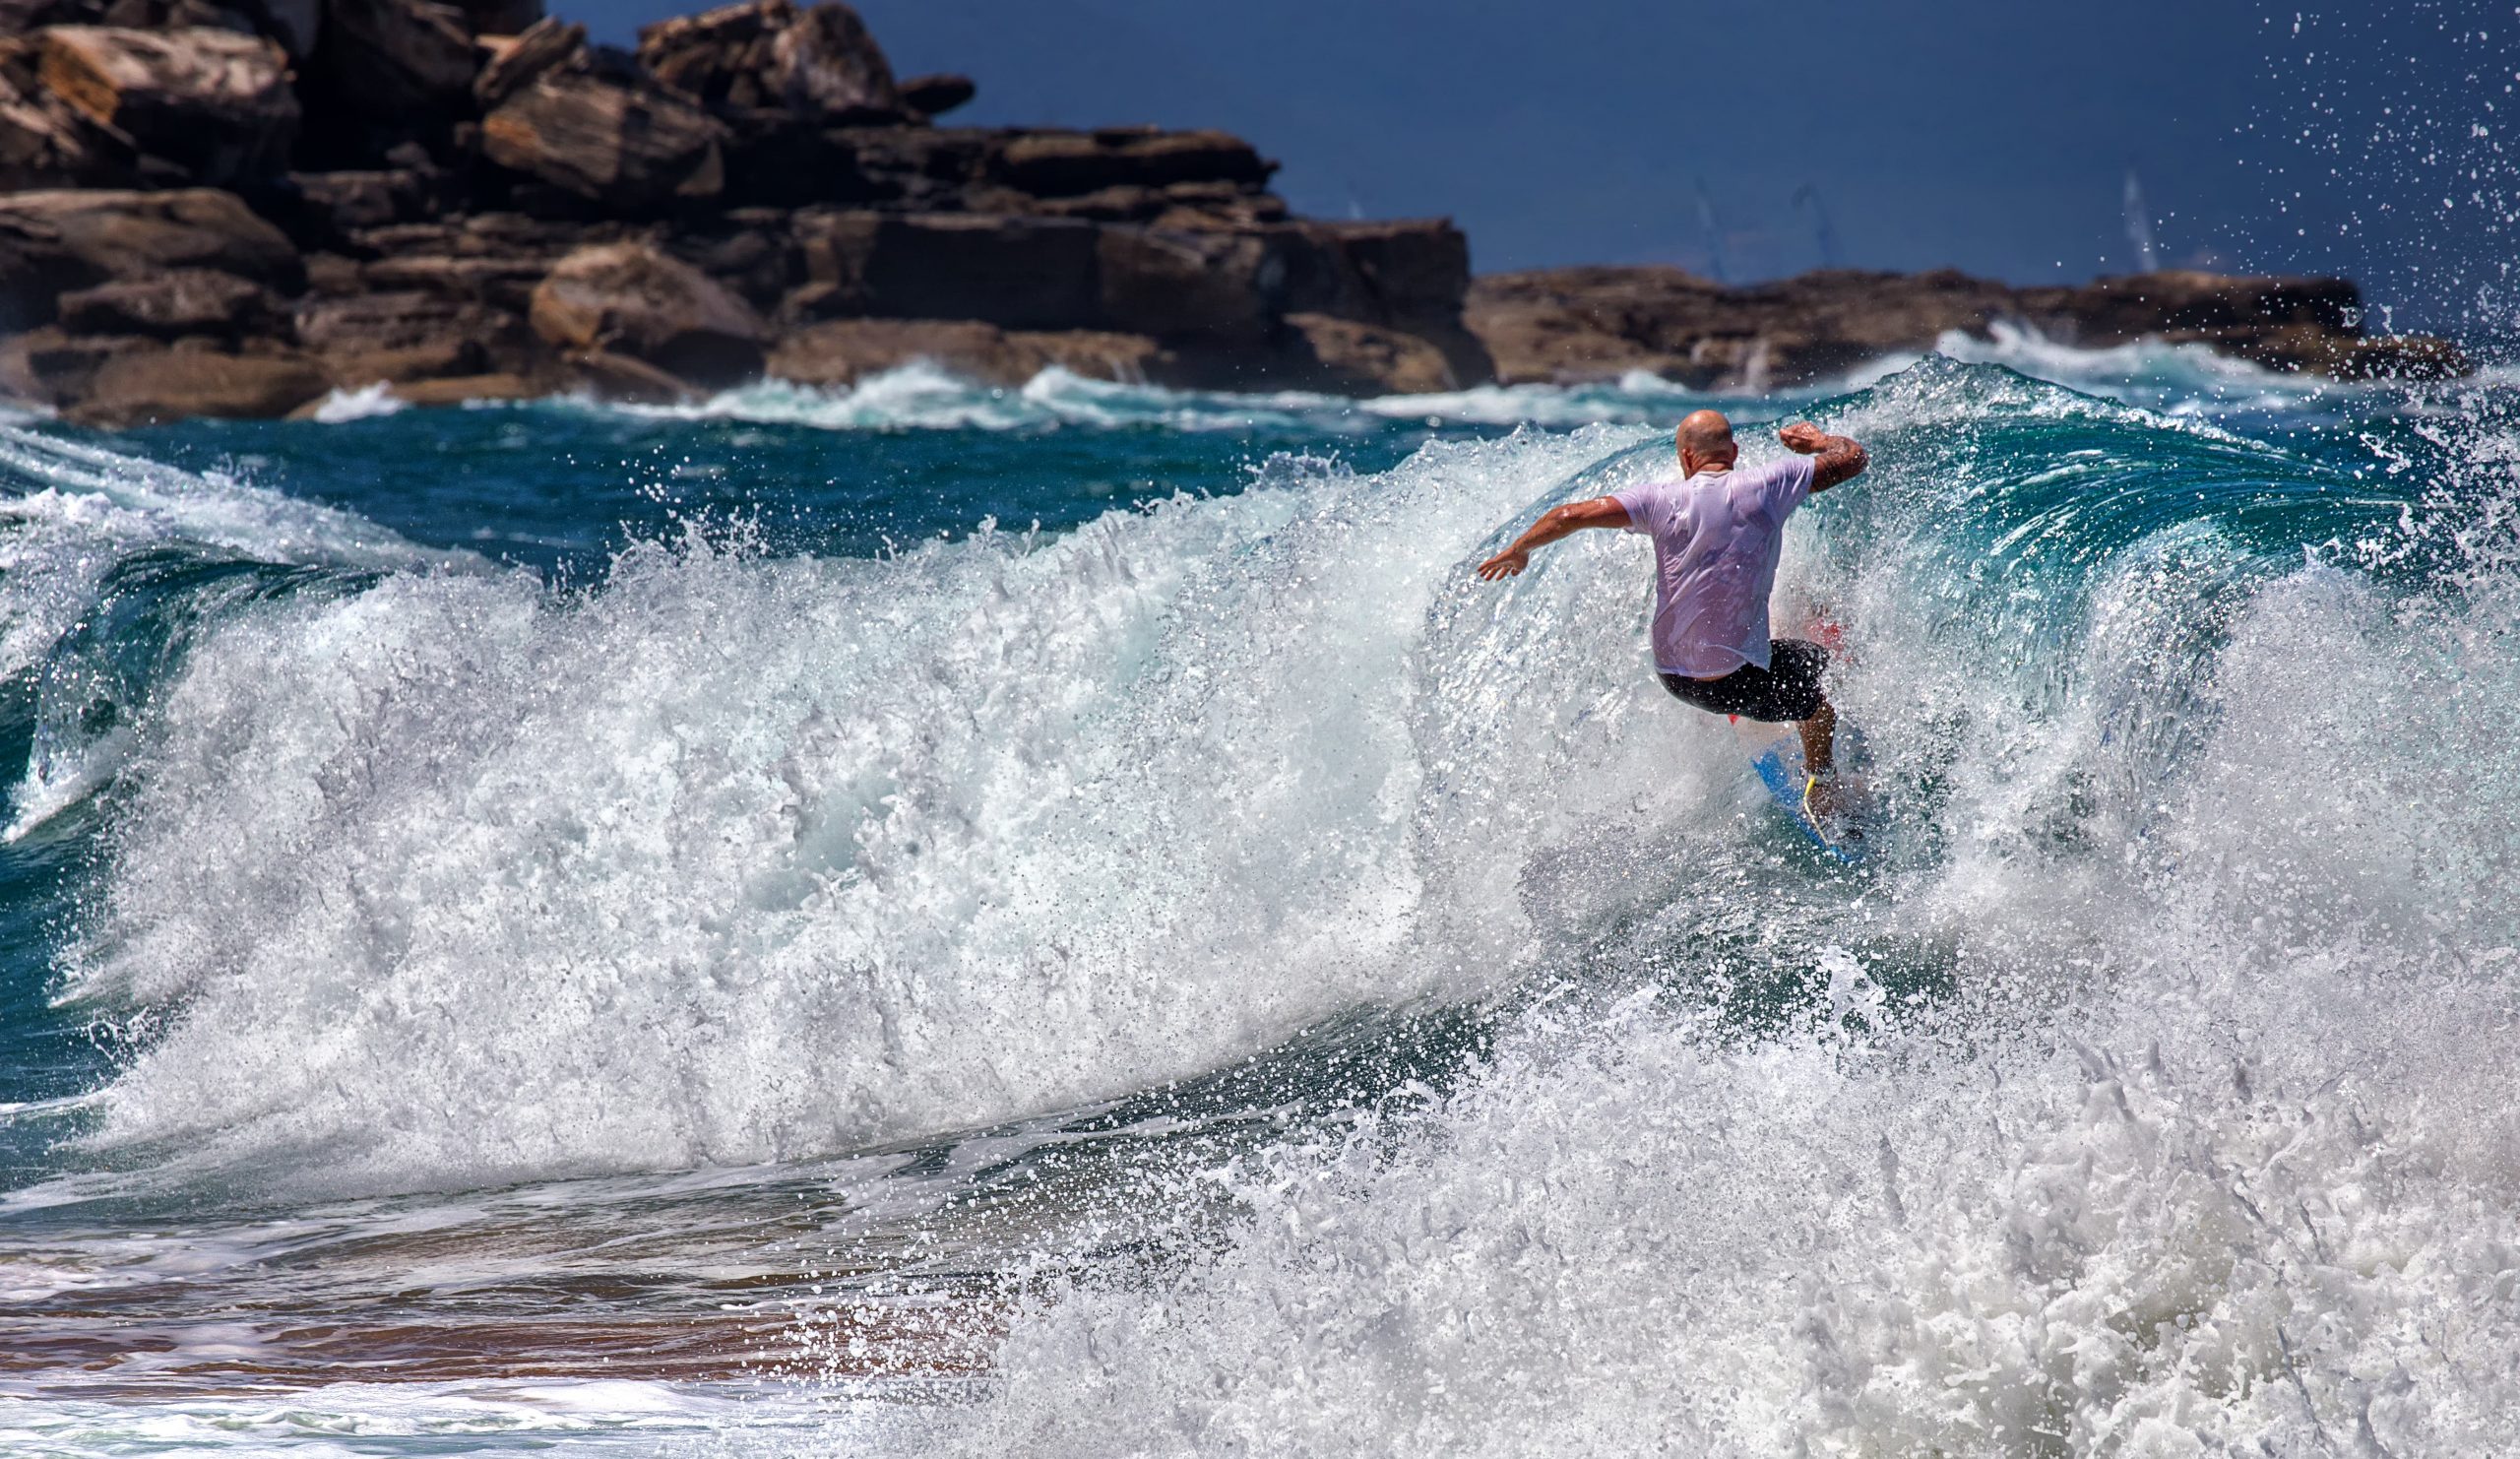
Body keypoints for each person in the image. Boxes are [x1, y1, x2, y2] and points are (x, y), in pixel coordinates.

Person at [1476, 409, 1871, 822]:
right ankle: (1823, 783)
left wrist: (1519, 549)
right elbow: (1853, 457)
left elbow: (1567, 516)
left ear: (1685, 457)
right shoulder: (1771, 483)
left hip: (1675, 678)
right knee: (1820, 672)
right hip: (1737, 682)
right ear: (1733, 452)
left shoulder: (1656, 500)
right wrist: (1818, 442)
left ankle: (1734, 685)